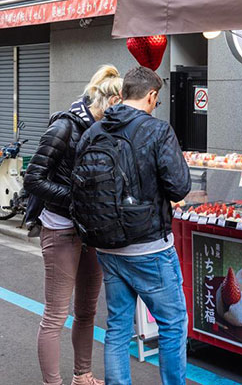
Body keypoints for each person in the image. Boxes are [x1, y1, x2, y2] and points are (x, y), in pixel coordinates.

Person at [74, 66, 191, 385]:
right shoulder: (158, 131)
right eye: (157, 99)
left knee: (117, 327)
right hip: (150, 246)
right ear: (152, 96)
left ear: (123, 93)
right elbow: (179, 187)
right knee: (173, 323)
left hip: (107, 246)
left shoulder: (93, 132)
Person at [24, 64, 123, 385]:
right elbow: (33, 180)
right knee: (55, 315)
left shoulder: (107, 129)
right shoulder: (64, 127)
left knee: (87, 312)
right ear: (109, 101)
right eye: (119, 108)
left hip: (91, 230)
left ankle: (83, 376)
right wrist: (76, 198)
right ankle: (52, 383)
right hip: (61, 229)